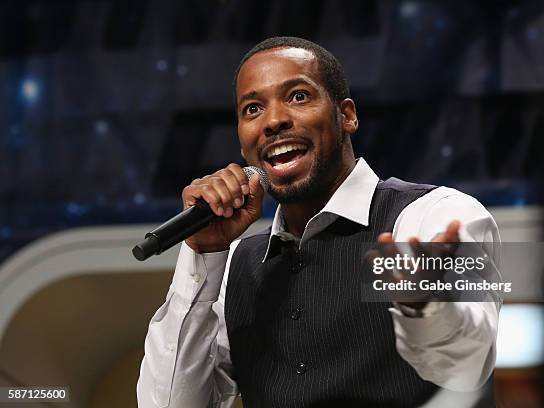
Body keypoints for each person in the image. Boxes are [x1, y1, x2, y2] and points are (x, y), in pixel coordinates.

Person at [137, 37, 501, 408]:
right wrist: (202, 252)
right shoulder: (236, 265)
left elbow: (469, 368)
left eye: (297, 96)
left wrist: (425, 305)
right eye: (252, 109)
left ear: (346, 116)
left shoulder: (434, 215)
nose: (274, 121)